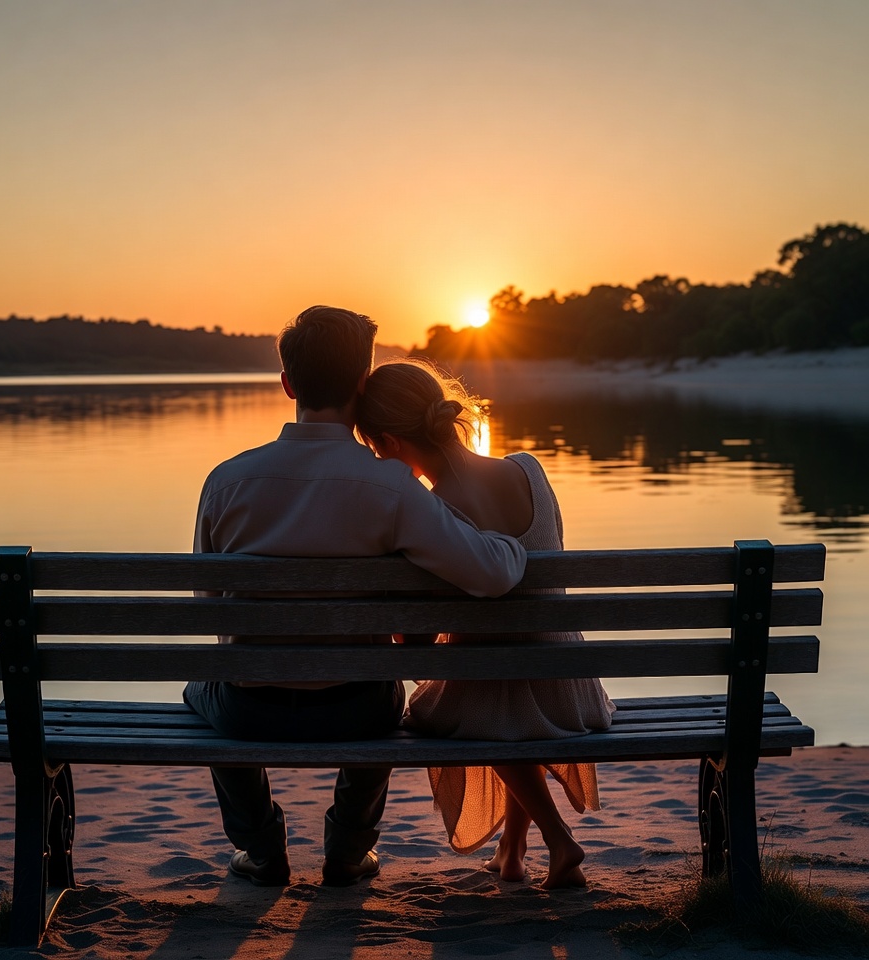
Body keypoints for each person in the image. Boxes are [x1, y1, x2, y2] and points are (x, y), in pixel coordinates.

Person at [183, 306, 527, 889]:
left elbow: (207, 602)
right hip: (357, 707)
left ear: (288, 384)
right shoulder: (390, 486)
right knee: (385, 687)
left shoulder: (227, 481)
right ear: (362, 384)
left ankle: (262, 849)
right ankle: (347, 849)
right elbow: (492, 575)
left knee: (205, 683)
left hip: (250, 711)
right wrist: (508, 544)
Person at [355, 358, 615, 890]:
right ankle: (512, 848)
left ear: (387, 442)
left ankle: (559, 840)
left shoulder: (434, 516)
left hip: (498, 692)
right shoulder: (528, 469)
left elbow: (422, 643)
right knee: (507, 689)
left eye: (371, 447)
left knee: (459, 705)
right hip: (569, 684)